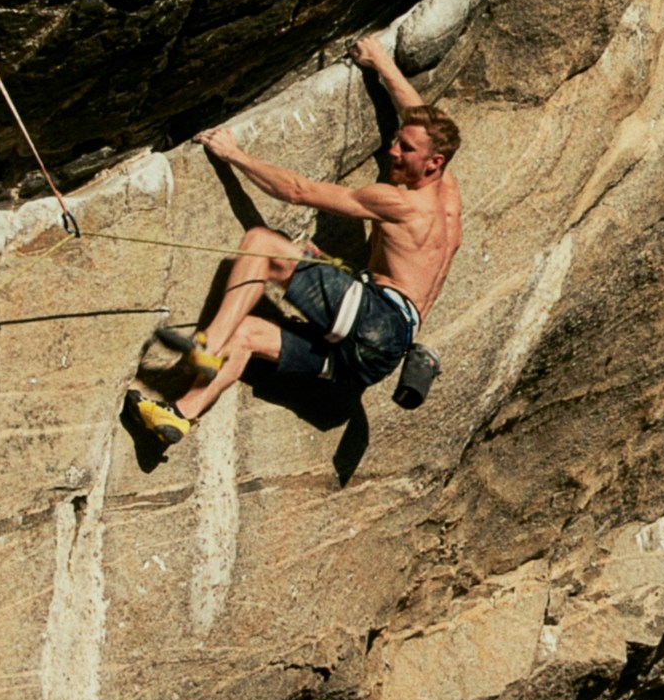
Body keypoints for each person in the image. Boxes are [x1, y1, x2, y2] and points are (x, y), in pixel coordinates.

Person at [127, 34, 464, 445]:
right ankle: (180, 414)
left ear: (434, 162)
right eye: (396, 142)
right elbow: (418, 116)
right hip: (380, 357)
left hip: (377, 320)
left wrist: (235, 155)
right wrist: (380, 62)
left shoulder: (398, 202)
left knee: (262, 244)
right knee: (248, 331)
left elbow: (298, 191)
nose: (393, 151)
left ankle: (206, 348)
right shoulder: (449, 197)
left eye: (404, 149)